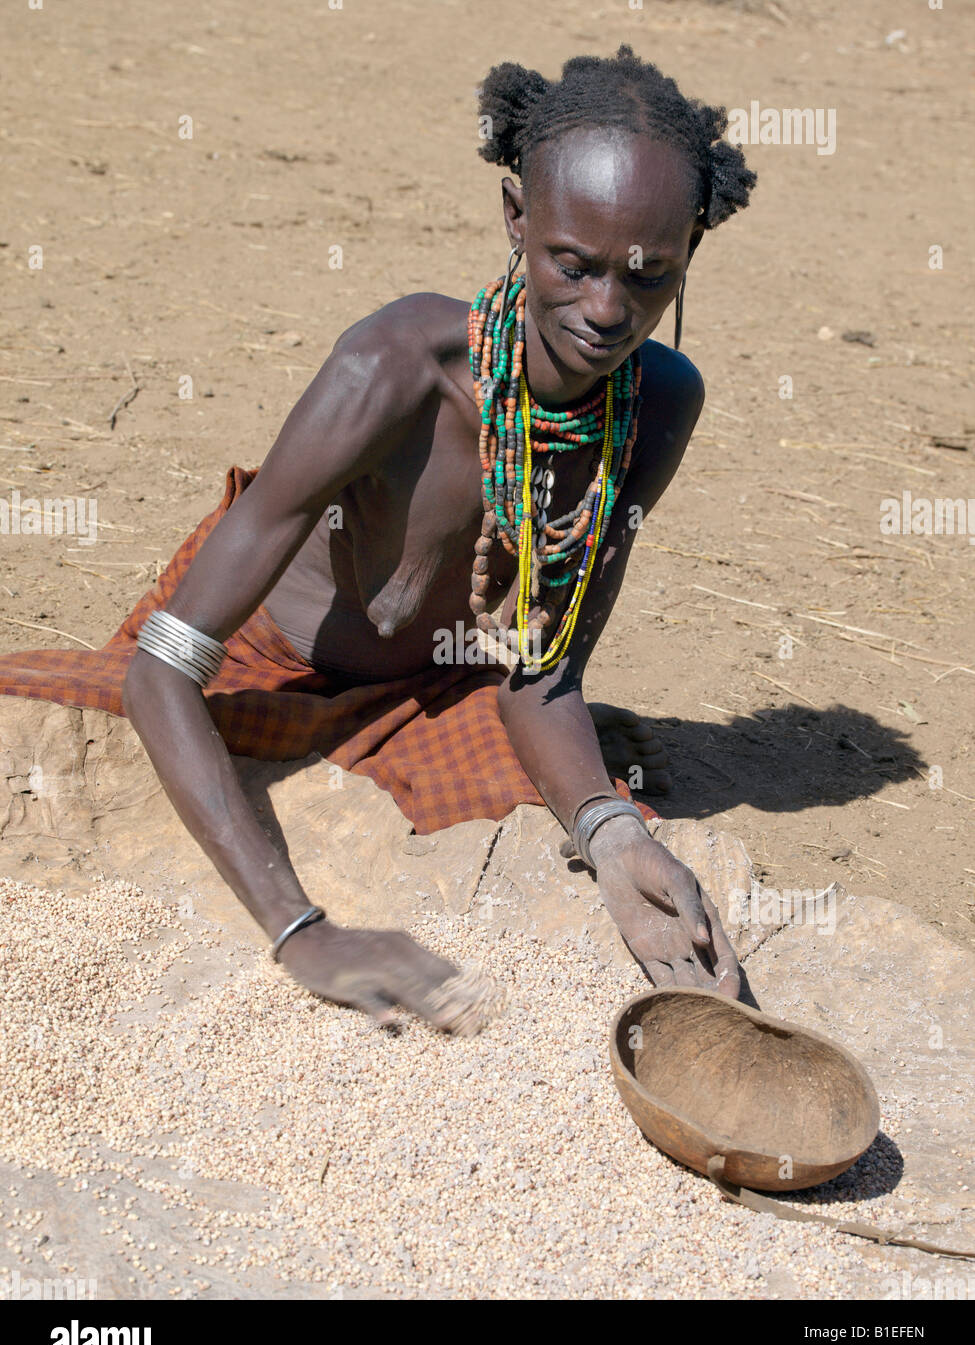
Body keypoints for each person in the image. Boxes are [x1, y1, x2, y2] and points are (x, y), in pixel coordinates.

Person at [0, 46, 756, 1030]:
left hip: (439, 691)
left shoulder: (657, 403)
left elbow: (543, 670)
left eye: (650, 275)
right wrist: (299, 929)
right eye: (572, 265)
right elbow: (162, 670)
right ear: (516, 221)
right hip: (254, 663)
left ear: (692, 245)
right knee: (50, 759)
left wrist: (610, 835)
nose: (607, 310)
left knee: (624, 860)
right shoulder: (395, 366)